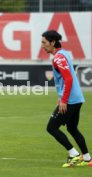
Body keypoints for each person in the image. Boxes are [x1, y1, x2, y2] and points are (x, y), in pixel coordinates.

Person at [41, 30, 92, 167]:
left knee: (51, 128)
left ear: (52, 42)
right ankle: (87, 159)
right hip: (77, 98)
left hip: (70, 100)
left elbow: (68, 78)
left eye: (44, 42)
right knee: (72, 129)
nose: (42, 45)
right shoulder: (64, 53)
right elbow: (66, 79)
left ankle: (74, 154)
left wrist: (64, 100)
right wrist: (61, 97)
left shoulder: (58, 58)